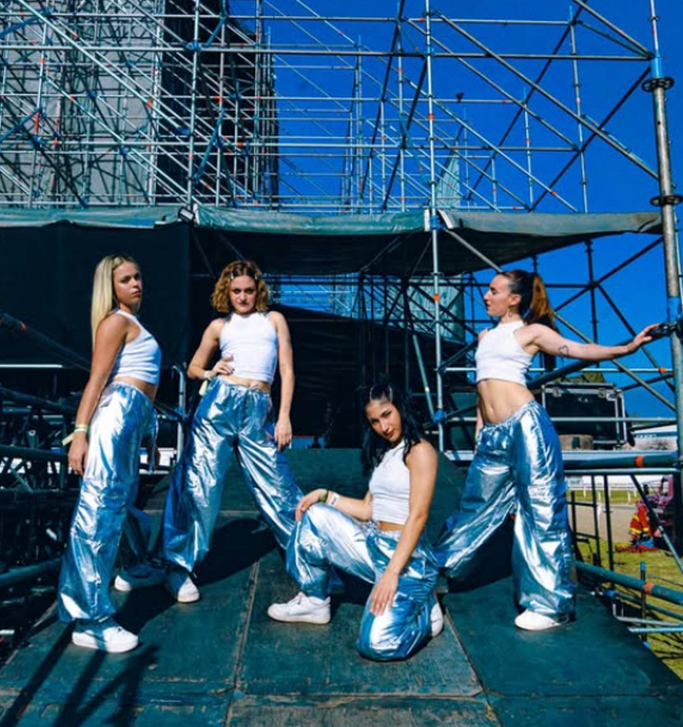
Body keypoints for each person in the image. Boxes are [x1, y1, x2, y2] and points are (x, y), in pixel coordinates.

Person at [433, 269, 657, 632]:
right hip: (492, 435)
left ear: (514, 298)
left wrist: (627, 347)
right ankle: (431, 573)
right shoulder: (485, 335)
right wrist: (480, 429)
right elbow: (483, 387)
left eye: (493, 291)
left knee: (538, 511)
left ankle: (549, 604)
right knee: (473, 507)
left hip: (526, 427)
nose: (486, 297)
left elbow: (580, 349)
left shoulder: (531, 332)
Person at [267, 380, 444, 662]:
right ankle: (315, 601)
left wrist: (391, 574)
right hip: (374, 546)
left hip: (408, 561)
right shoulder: (385, 454)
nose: (383, 426)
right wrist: (325, 496)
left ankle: (423, 613)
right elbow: (366, 510)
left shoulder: (419, 451)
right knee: (314, 515)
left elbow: (418, 516)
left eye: (387, 415)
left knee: (377, 644)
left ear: (400, 407)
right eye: (374, 421)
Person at [161, 259, 301, 602]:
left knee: (280, 488)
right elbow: (193, 367)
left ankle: (311, 564)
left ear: (258, 291)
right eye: (236, 291)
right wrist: (211, 372)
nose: (242, 297)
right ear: (227, 291)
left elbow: (287, 369)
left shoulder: (274, 320)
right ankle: (180, 568)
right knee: (201, 484)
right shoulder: (218, 326)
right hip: (220, 404)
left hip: (259, 408)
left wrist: (284, 416)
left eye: (249, 291)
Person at [57, 254, 161, 653]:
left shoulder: (134, 323)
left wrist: (146, 433)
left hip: (131, 421)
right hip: (113, 418)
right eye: (126, 280)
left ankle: (135, 565)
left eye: (138, 277)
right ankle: (91, 618)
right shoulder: (115, 322)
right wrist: (80, 432)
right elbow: (97, 380)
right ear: (111, 287)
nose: (136, 284)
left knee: (119, 504)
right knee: (98, 512)